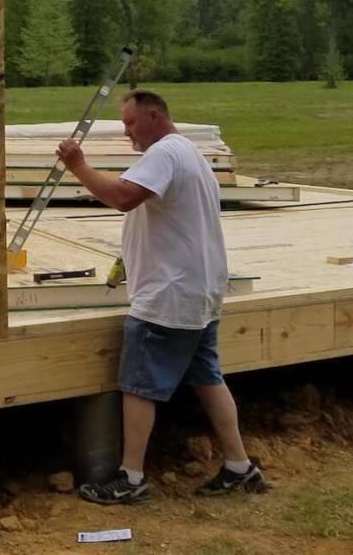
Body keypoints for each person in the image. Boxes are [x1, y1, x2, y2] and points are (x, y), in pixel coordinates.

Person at [56, 89, 266, 504]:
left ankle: (130, 477)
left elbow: (121, 197)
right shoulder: (188, 153)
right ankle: (240, 466)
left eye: (131, 124)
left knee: (139, 385)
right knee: (208, 378)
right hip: (199, 291)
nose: (127, 133)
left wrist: (78, 165)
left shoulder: (164, 154)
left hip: (170, 296)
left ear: (154, 116)